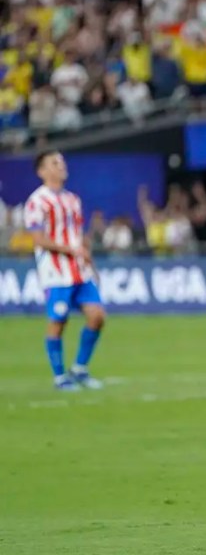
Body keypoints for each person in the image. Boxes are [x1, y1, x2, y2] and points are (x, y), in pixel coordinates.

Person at [23, 151, 105, 390]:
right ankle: (60, 377)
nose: (61, 166)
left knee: (97, 317)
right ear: (42, 172)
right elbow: (39, 239)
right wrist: (71, 250)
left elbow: (78, 236)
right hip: (55, 273)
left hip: (79, 270)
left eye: (61, 162)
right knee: (58, 321)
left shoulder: (73, 200)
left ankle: (80, 369)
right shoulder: (37, 201)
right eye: (54, 163)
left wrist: (89, 260)